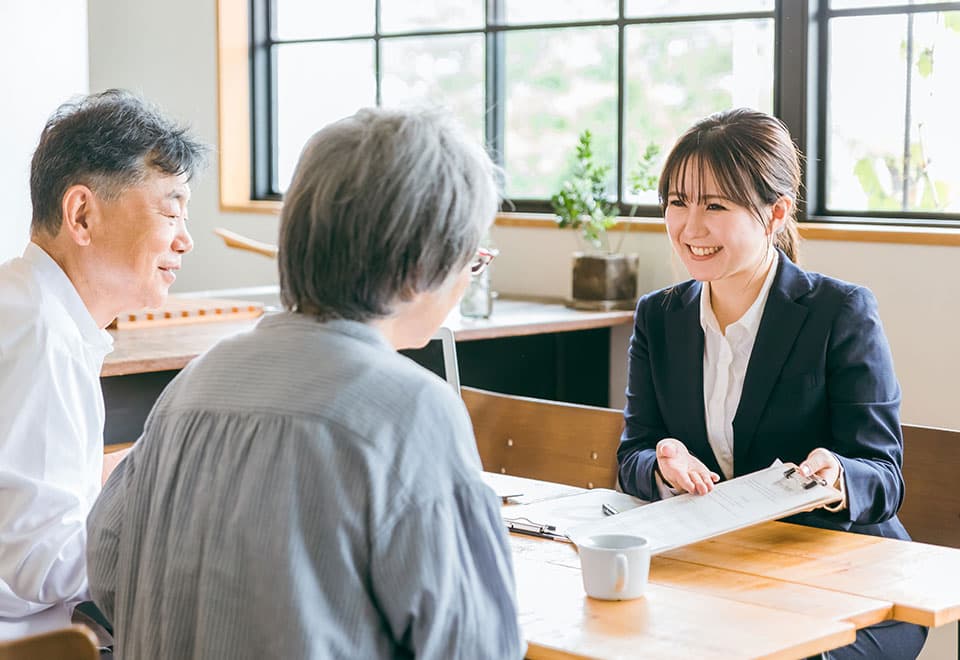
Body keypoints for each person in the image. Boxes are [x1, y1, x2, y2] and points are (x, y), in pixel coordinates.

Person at [86, 107, 526, 659]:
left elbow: (106, 567)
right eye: (472, 259)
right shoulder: (410, 410)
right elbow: (477, 647)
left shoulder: (195, 383)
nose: (467, 278)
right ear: (421, 267)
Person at [616, 108, 926, 659]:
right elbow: (633, 454)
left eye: (715, 205)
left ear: (775, 212)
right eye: (678, 202)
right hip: (722, 573)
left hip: (848, 582)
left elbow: (883, 476)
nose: (691, 227)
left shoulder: (839, 311)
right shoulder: (659, 316)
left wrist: (836, 478)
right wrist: (661, 462)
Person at [0, 89, 207, 641]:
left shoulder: (25, 302)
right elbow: (47, 561)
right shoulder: (43, 336)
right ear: (82, 214)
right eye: (170, 211)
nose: (185, 240)